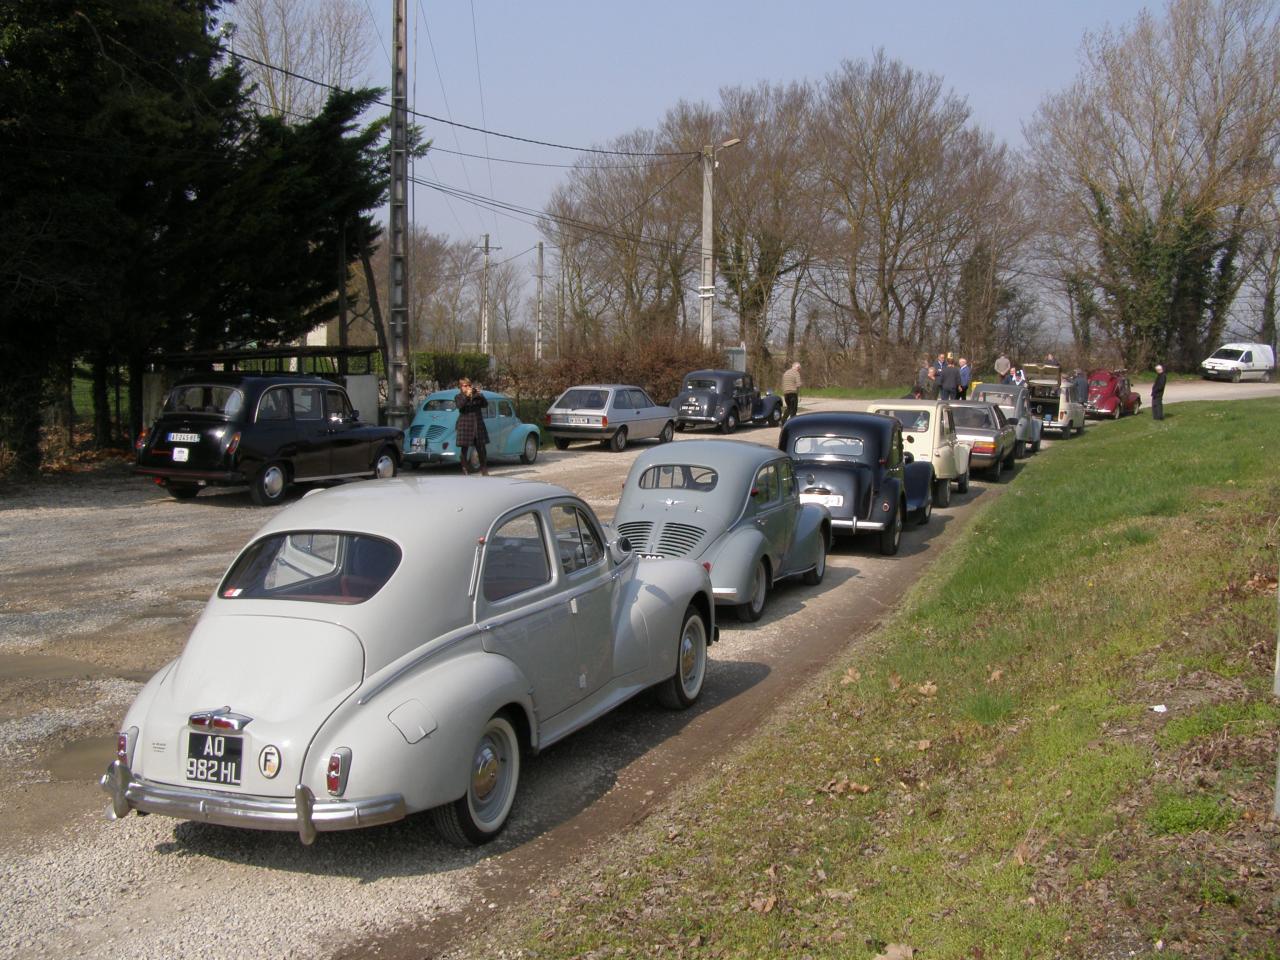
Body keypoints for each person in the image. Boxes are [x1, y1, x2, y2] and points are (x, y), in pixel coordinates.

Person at [455, 378, 490, 475]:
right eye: (465, 386)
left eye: (469, 385)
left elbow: (485, 404)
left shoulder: (476, 396)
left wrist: (480, 395)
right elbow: (460, 406)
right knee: (464, 449)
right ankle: (465, 469)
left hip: (477, 424)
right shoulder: (458, 397)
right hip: (465, 425)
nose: (468, 387)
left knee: (481, 449)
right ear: (461, 387)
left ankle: (484, 469)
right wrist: (467, 396)